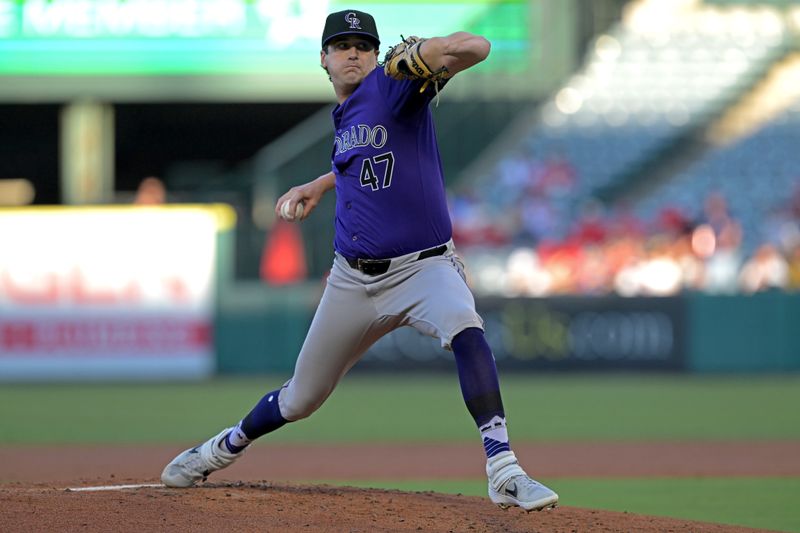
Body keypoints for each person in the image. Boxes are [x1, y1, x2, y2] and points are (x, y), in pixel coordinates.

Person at [161, 9, 558, 512]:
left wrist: (425, 53)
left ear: (377, 55)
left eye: (364, 45)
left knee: (463, 321)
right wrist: (319, 183)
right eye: (342, 45)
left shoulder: (396, 86)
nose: (354, 52)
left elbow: (476, 47)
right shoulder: (345, 115)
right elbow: (362, 161)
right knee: (300, 399)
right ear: (323, 60)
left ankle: (503, 467)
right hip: (351, 279)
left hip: (423, 268)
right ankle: (221, 448)